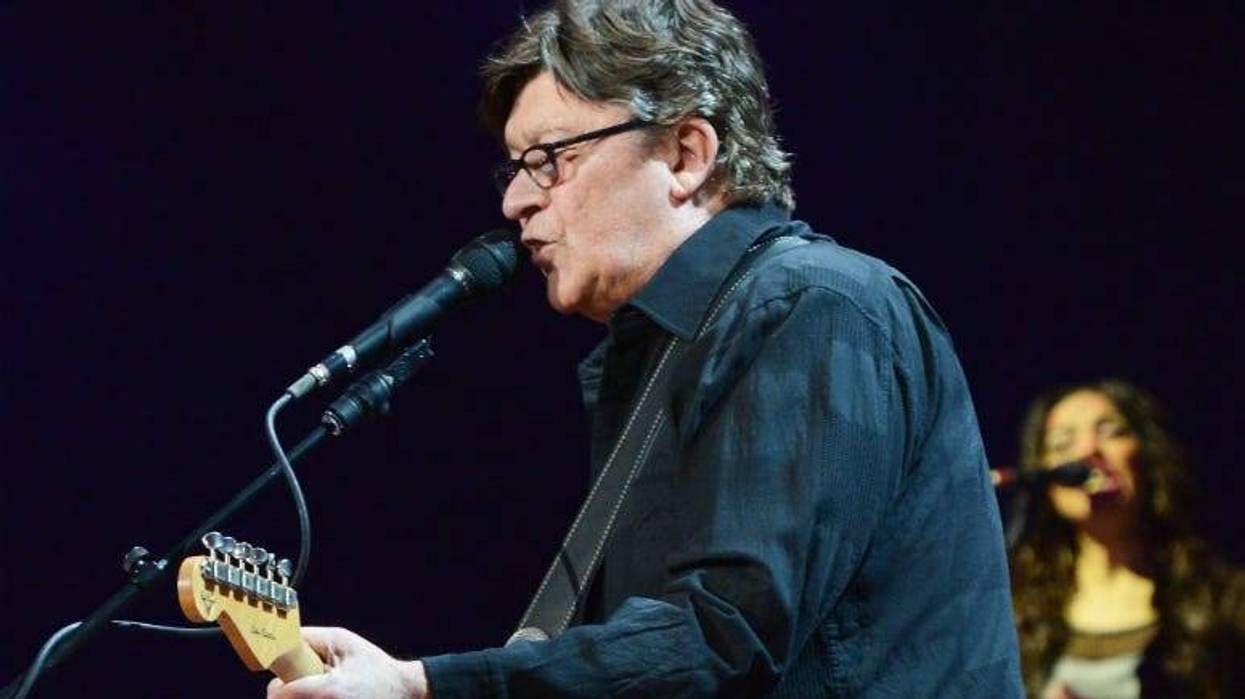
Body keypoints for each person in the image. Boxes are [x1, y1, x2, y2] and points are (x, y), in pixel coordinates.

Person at [268, 1, 1022, 696]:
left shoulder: (811, 305)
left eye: (550, 158)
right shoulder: (672, 352)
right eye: (515, 167)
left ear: (686, 154)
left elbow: (722, 636)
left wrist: (426, 686)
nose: (515, 201)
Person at [1009, 379, 1245, 698]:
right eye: (1063, 443)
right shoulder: (1013, 606)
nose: (1088, 450)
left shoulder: (1221, 599)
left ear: (1147, 454)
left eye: (1111, 432)